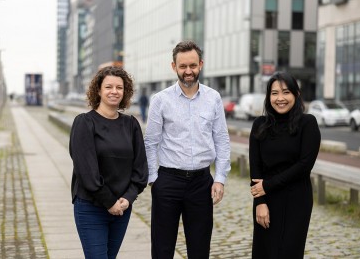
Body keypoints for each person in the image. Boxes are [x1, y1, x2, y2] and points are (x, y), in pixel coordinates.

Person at [144, 40, 231, 259]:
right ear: (174, 67)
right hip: (168, 181)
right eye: (183, 66)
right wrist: (155, 180)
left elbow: (222, 139)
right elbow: (151, 142)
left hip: (202, 183)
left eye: (192, 65)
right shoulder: (160, 100)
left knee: (200, 248)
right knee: (162, 249)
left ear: (200, 64)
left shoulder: (213, 98)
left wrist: (219, 179)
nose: (188, 71)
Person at [69, 66, 148, 259]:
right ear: (98, 90)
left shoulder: (131, 125)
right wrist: (110, 202)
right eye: (109, 87)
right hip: (91, 207)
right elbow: (86, 171)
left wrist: (127, 199)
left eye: (119, 87)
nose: (114, 91)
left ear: (125, 91)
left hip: (122, 209)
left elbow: (140, 170)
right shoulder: (84, 123)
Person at [249, 71, 321, 258]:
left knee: (289, 252)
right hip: (267, 199)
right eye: (274, 93)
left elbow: (304, 165)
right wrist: (260, 203)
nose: (280, 98)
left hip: (297, 199)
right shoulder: (259, 125)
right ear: (268, 97)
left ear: (296, 95)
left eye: (286, 92)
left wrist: (268, 185)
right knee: (264, 252)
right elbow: (255, 168)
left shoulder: (308, 123)